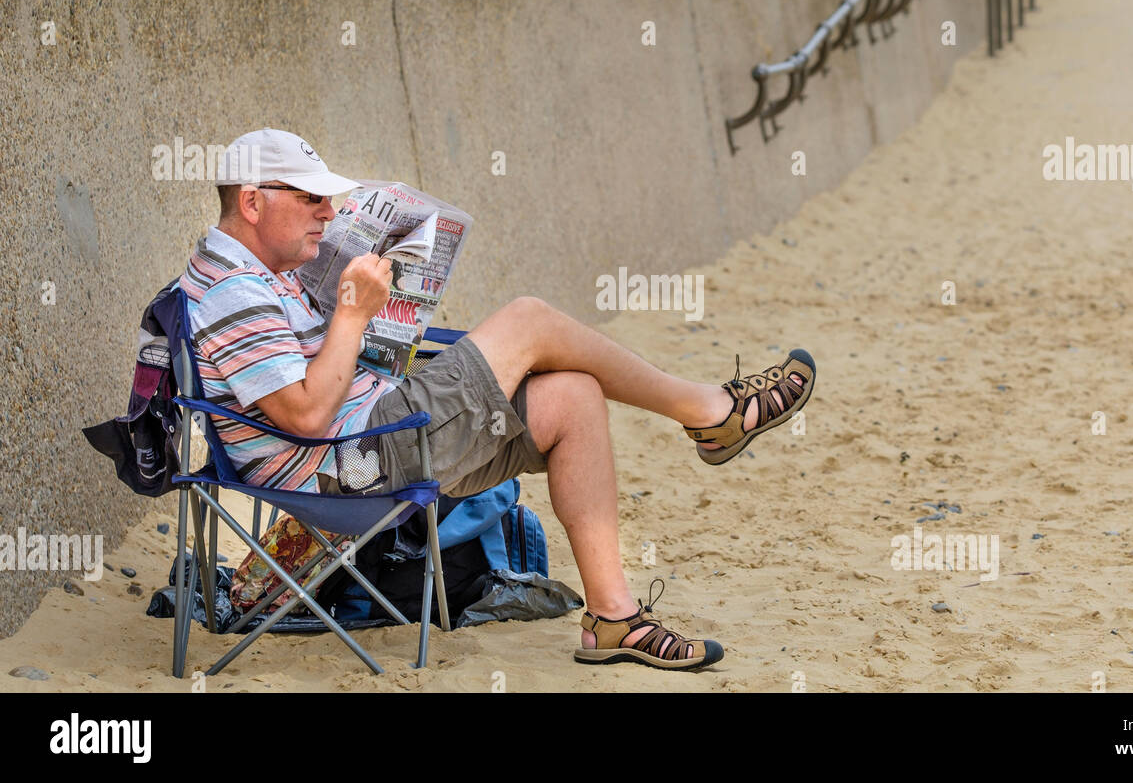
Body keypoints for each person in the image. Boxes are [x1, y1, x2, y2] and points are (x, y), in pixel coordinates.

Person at [183, 128, 816, 671]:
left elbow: (305, 382)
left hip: (371, 437)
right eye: (311, 197)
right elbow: (304, 416)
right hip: (347, 464)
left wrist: (372, 328)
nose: (327, 209)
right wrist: (350, 314)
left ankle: (613, 619)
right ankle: (710, 412)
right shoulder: (234, 292)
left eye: (330, 197)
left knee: (572, 395)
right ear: (253, 201)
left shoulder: (256, 275)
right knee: (530, 320)